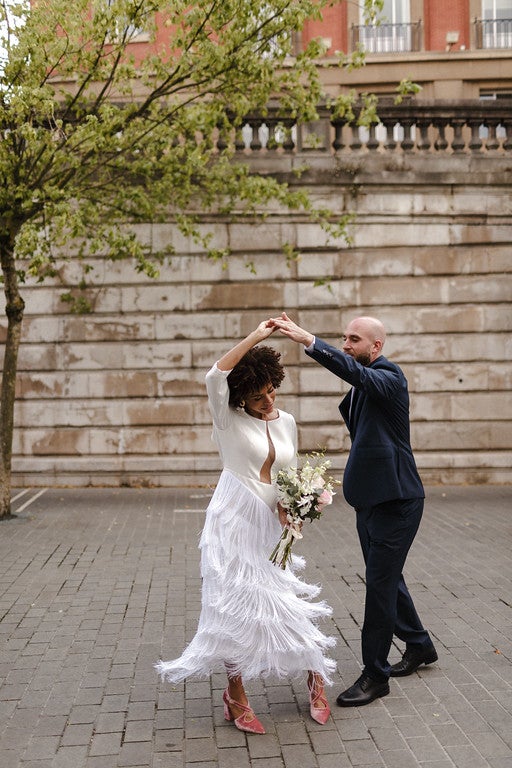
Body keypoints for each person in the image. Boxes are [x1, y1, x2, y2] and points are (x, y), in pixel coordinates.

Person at [155, 321, 336, 732]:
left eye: (272, 389)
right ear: (241, 398)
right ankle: (235, 696)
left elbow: (288, 477)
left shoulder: (286, 421)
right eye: (258, 396)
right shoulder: (227, 418)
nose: (268, 399)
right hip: (234, 520)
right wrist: (257, 337)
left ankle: (315, 678)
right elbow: (215, 375)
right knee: (235, 606)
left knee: (284, 600)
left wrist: (294, 508)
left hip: (270, 526)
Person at [270, 312, 438, 707]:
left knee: (379, 586)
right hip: (370, 501)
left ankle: (375, 675)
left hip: (398, 502)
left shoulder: (389, 376)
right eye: (344, 338)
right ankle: (418, 644)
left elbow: (356, 374)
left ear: (375, 347)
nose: (346, 344)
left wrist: (310, 341)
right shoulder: (365, 385)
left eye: (354, 339)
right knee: (385, 577)